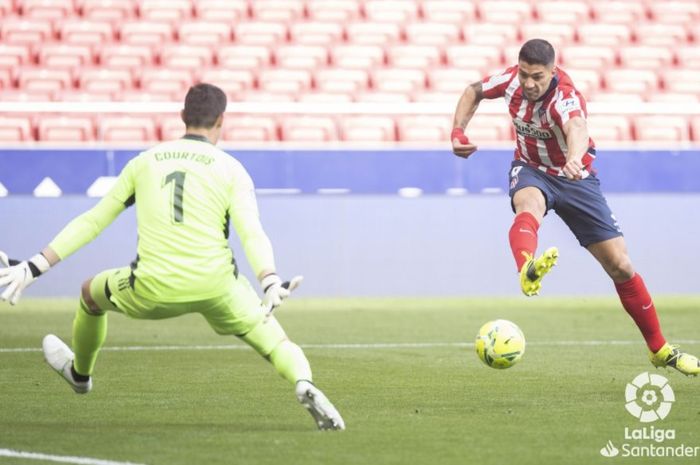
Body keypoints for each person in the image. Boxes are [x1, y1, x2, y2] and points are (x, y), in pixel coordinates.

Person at [0, 83, 346, 430]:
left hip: (152, 285)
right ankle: (304, 382)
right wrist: (269, 279)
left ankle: (80, 375)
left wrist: (34, 266)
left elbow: (94, 220)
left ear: (182, 117)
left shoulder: (146, 161)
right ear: (221, 121)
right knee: (275, 343)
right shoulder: (232, 169)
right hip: (218, 286)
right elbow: (251, 231)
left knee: (90, 294)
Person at [450, 38, 699, 376]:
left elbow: (577, 127)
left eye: (537, 76)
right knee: (528, 205)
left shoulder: (565, 97)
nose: (529, 83)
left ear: (552, 71)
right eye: (524, 74)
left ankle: (659, 349)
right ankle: (527, 267)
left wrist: (572, 159)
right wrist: (458, 132)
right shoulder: (510, 83)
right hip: (531, 169)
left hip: (576, 178)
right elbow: (473, 90)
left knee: (621, 266)